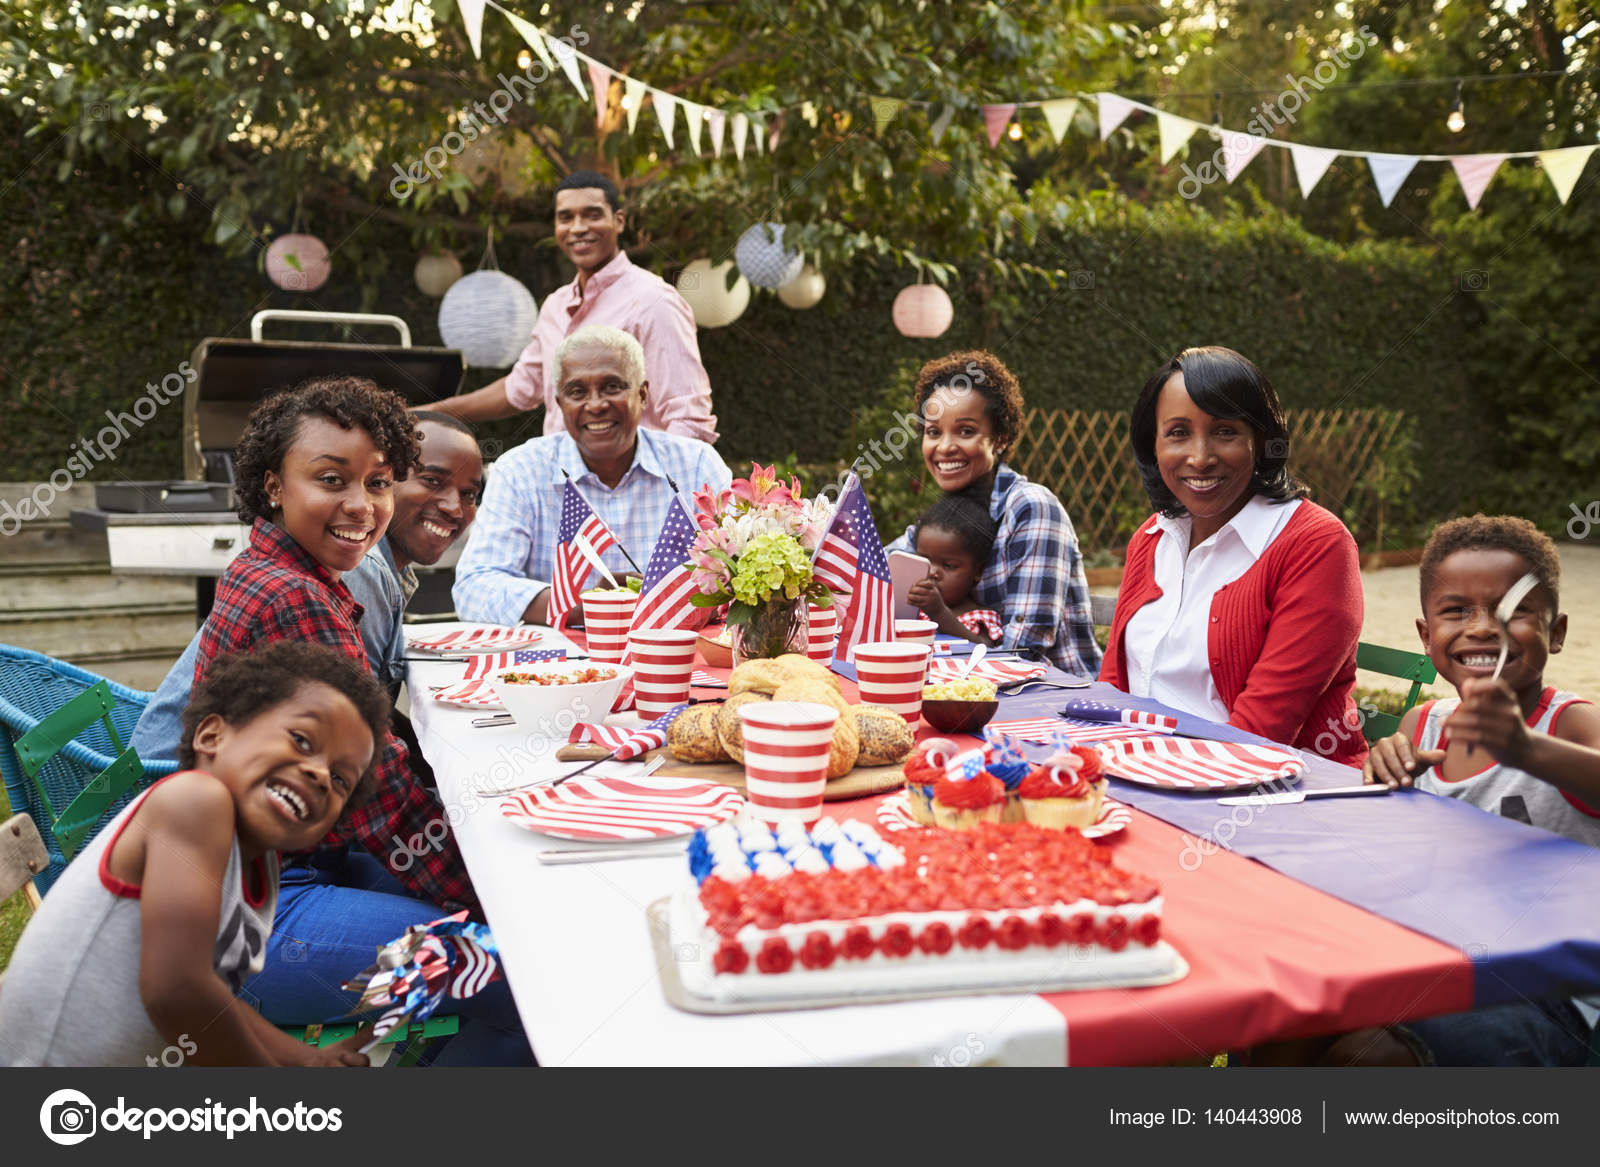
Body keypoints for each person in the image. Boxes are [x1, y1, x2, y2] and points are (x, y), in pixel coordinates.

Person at [180, 377, 531, 1064]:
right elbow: (384, 803)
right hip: (256, 919)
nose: (361, 505)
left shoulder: (285, 570)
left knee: (498, 925)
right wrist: (502, 904)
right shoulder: (295, 598)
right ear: (274, 484)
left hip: (289, 871)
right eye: (331, 479)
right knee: (522, 972)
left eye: (378, 483)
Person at [0, 643, 385, 1066]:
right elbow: (178, 992)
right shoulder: (195, 802)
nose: (319, 774)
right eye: (301, 740)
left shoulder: (262, 865)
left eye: (341, 779)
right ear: (212, 736)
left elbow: (213, 997)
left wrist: (303, 1059)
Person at [1335, 516, 1597, 1067]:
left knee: (1366, 1059)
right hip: (1439, 960)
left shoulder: (1569, 725)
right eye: (1457, 611)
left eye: (1513, 611)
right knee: (1297, 1017)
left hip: (1553, 994)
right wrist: (1382, 767)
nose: (1483, 628)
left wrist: (1527, 750)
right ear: (1427, 635)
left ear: (1556, 631)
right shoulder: (1423, 725)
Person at [130, 411, 485, 758]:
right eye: (432, 481)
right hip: (181, 780)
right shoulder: (358, 569)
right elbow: (355, 737)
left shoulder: (343, 561)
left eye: (470, 494)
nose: (455, 508)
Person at [1099, 346, 1365, 764]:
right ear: (1152, 445)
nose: (1200, 457)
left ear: (1261, 441)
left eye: (1225, 431)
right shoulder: (1152, 537)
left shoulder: (1315, 544)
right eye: (1178, 433)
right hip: (1144, 773)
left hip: (1279, 796)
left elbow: (1260, 733)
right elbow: (1111, 692)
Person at [453, 324, 731, 627]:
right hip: (557, 669)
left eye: (612, 387)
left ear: (643, 394)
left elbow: (739, 572)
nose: (596, 404)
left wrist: (670, 597)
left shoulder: (696, 464)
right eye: (577, 392)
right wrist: (589, 605)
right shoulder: (520, 471)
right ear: (559, 404)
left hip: (675, 656)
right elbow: (474, 588)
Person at [429, 170, 718, 442]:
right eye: (565, 218)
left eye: (592, 215)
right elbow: (520, 389)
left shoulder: (655, 301)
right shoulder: (555, 306)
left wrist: (649, 490)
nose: (578, 228)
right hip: (561, 487)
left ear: (618, 221)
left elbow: (690, 420)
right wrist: (431, 414)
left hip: (630, 490)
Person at [887, 351, 1100, 674]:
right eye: (933, 432)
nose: (944, 447)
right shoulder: (938, 519)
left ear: (1000, 439)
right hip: (967, 687)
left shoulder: (1032, 510)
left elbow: (1023, 652)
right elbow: (874, 574)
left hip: (1054, 696)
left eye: (966, 431)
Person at [906, 493, 1002, 646]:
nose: (933, 572)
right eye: (925, 560)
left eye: (948, 565)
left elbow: (986, 650)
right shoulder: (911, 608)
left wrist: (939, 613)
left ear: (977, 571)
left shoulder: (980, 617)